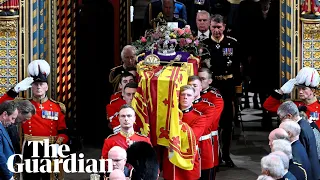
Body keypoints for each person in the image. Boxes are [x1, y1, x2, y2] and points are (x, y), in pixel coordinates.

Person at [0, 59, 69, 180]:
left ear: (47, 86)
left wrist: (59, 144)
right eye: (35, 84)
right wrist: (14, 90)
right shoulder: (23, 105)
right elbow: (2, 107)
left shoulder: (57, 107)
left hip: (50, 147)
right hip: (29, 148)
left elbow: (63, 131)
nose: (38, 87)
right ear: (31, 86)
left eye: (41, 84)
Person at [202, 14, 242, 167]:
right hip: (212, 88)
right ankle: (214, 156)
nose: (216, 30)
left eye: (219, 27)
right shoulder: (204, 45)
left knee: (227, 123)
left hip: (228, 87)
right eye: (214, 27)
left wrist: (238, 91)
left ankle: (226, 155)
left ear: (224, 26)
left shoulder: (232, 43)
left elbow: (238, 68)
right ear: (210, 27)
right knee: (212, 123)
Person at [162, 85, 206, 180]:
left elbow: (192, 136)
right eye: (182, 94)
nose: (185, 97)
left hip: (189, 156)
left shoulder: (200, 117)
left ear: (194, 97)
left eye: (189, 95)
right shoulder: (169, 116)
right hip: (171, 154)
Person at [188, 75, 223, 180]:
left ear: (200, 87)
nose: (192, 88)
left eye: (195, 85)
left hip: (203, 147)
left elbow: (202, 127)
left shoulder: (208, 106)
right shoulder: (180, 106)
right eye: (190, 86)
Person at [277, 101, 320, 179]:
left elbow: (301, 154)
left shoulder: (299, 129)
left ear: (289, 116)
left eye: (281, 118)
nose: (281, 121)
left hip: (308, 172)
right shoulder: (305, 123)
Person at [198, 67, 225, 177]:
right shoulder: (188, 95)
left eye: (202, 79)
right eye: (197, 78)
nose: (199, 82)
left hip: (207, 139)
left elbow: (209, 122)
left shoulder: (215, 98)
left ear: (210, 81)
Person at [0, 101, 18, 180]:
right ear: (4, 114)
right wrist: (9, 176)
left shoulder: (2, 127)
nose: (13, 122)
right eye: (12, 118)